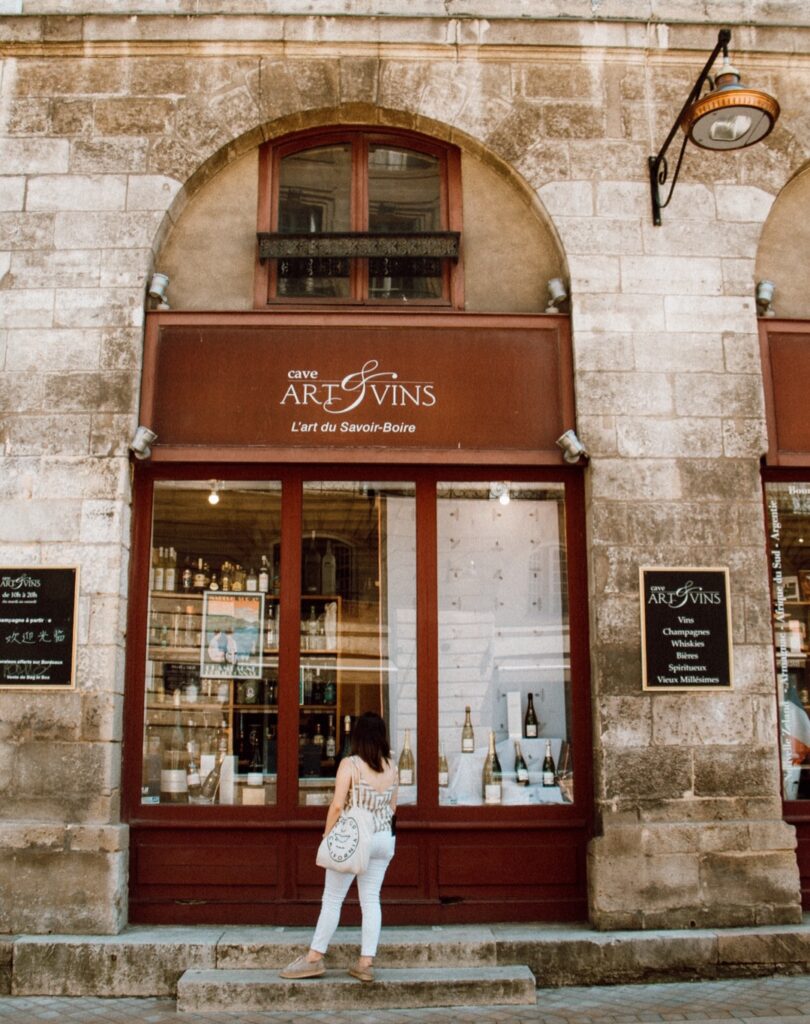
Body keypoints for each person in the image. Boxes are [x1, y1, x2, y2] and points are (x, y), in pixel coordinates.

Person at [280, 711, 398, 983]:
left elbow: (337, 804)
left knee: (332, 899)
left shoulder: (351, 764)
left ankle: (313, 958)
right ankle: (366, 962)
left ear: (357, 737)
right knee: (371, 899)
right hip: (382, 838)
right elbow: (393, 808)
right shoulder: (391, 766)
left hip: (355, 837)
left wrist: (327, 834)